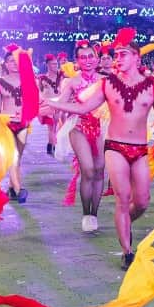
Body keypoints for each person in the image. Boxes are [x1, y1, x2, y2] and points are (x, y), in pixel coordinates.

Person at [46, 28, 154, 268]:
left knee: (142, 201)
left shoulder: (153, 86)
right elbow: (83, 109)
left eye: (123, 54)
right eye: (116, 54)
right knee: (122, 198)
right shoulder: (106, 84)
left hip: (140, 149)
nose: (118, 58)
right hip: (115, 147)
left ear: (136, 56)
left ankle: (124, 222)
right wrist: (52, 104)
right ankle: (127, 251)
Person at [51, 41, 107, 233]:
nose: (88, 60)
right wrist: (52, 128)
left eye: (91, 56)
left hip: (102, 127)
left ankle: (95, 214)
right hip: (79, 126)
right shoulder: (72, 82)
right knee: (88, 170)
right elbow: (59, 104)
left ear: (97, 58)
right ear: (77, 61)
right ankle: (86, 213)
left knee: (100, 171)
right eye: (83, 57)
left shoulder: (106, 80)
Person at [0, 44, 32, 202]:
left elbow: (33, 102)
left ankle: (11, 188)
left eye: (15, 61)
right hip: (6, 123)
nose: (13, 64)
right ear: (5, 64)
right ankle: (19, 189)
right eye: (10, 61)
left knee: (17, 158)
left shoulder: (29, 80)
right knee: (13, 156)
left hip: (23, 123)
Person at [37, 53, 62, 156]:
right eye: (53, 64)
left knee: (59, 126)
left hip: (60, 105)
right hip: (49, 106)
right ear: (47, 65)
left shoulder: (62, 76)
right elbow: (40, 91)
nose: (55, 66)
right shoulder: (42, 78)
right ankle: (52, 146)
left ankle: (53, 145)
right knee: (51, 127)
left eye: (56, 64)